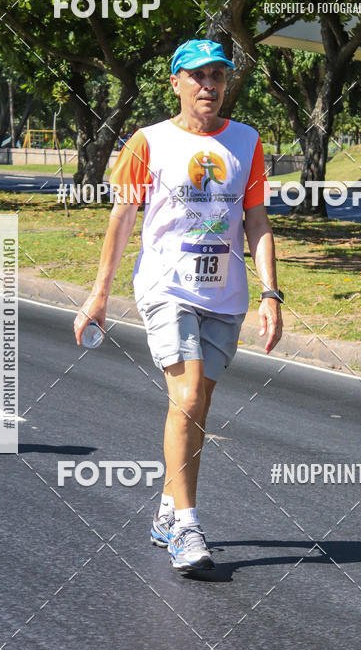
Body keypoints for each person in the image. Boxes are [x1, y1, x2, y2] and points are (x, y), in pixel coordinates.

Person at [74, 38, 283, 572]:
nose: (209, 86)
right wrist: (99, 294)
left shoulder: (247, 142)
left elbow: (256, 222)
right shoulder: (148, 142)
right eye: (198, 76)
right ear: (176, 82)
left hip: (226, 294)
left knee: (196, 407)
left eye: (217, 76)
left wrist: (270, 292)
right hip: (166, 288)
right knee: (188, 395)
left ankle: (167, 508)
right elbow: (121, 219)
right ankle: (188, 529)